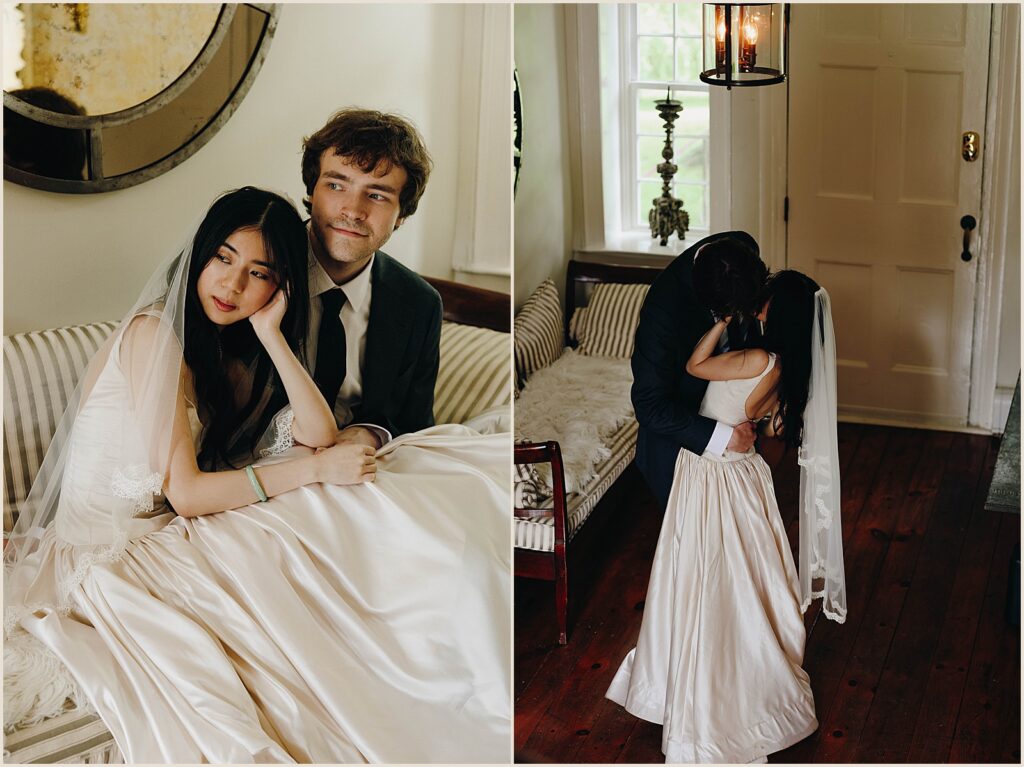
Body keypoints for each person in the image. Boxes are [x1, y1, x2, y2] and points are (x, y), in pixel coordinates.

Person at [4, 187, 510, 763]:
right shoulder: (153, 336)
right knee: (319, 495)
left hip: (163, 537)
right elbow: (190, 493)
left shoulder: (230, 350)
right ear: (198, 257)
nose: (232, 285)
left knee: (354, 494)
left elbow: (317, 432)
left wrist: (273, 334)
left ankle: (431, 644)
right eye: (222, 259)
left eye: (258, 273)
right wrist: (317, 467)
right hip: (110, 556)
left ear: (281, 286)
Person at [607, 269, 847, 763]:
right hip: (744, 473)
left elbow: (696, 368)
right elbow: (762, 422)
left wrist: (719, 322)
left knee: (703, 573)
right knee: (742, 572)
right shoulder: (784, 367)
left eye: (765, 301)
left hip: (709, 472)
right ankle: (749, 672)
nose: (757, 305)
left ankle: (708, 682)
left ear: (773, 311)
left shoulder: (755, 357)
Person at [262, 107, 443, 452]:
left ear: (401, 215)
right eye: (336, 185)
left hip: (367, 468)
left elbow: (416, 424)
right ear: (312, 190)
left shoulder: (420, 303)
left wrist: (373, 433)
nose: (353, 210)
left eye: (377, 195)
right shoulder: (258, 268)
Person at [630, 231, 768, 509]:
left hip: (741, 424)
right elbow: (649, 405)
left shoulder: (743, 248)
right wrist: (725, 436)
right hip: (681, 438)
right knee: (696, 541)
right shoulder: (662, 312)